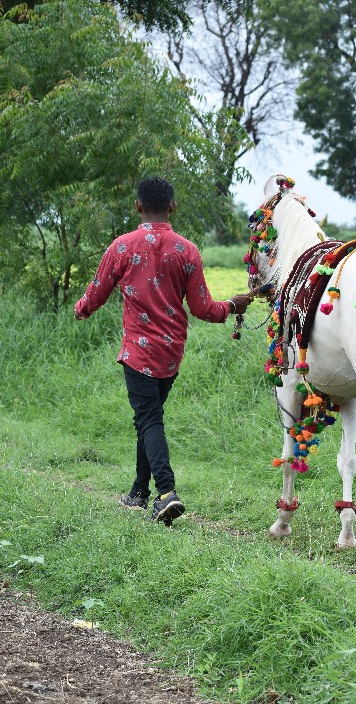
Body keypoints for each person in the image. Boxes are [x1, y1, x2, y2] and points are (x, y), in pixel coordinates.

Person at [74, 176, 254, 526]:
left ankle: (167, 493)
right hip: (172, 352)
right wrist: (233, 305)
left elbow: (96, 292)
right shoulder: (186, 250)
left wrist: (81, 309)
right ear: (172, 206)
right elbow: (204, 309)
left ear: (138, 206)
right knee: (148, 417)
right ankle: (138, 492)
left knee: (149, 419)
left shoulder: (122, 247)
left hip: (138, 352)